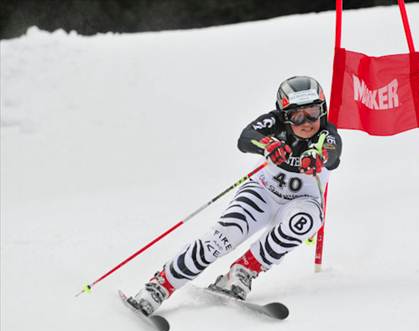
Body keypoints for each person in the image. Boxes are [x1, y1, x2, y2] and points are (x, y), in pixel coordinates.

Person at [129, 76, 342, 316]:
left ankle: (243, 271)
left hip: (302, 200)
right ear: (284, 115)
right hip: (263, 192)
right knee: (224, 236)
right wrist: (266, 144)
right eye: (297, 115)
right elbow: (245, 137)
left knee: (307, 219)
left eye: (312, 112)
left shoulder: (326, 133)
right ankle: (160, 286)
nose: (307, 122)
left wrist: (319, 156)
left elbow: (333, 152)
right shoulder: (274, 123)